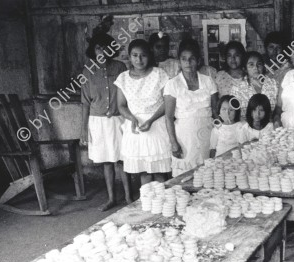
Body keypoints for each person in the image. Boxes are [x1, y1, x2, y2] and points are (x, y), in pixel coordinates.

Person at [80, 33, 131, 211]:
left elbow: (128, 95)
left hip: (119, 119)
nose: (101, 51)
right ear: (93, 50)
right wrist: (83, 130)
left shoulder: (120, 67)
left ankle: (128, 197)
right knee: (107, 162)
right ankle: (111, 198)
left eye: (105, 47)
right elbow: (85, 103)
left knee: (123, 159)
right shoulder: (87, 72)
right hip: (98, 122)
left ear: (111, 49)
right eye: (98, 48)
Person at [115, 39, 172, 185]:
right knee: (144, 173)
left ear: (149, 55)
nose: (139, 59)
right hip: (136, 128)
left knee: (160, 172)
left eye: (143, 55)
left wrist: (151, 120)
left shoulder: (159, 74)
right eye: (134, 55)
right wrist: (131, 118)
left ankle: (163, 204)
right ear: (129, 56)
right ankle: (146, 204)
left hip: (157, 125)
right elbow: (121, 105)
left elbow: (168, 102)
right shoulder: (123, 78)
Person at [165, 38, 219, 177]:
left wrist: (220, 136)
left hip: (207, 133)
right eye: (184, 59)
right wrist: (173, 143)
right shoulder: (173, 84)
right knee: (184, 177)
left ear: (199, 61)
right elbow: (168, 117)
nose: (188, 63)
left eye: (192, 59)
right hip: (184, 136)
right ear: (179, 61)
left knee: (207, 174)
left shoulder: (208, 81)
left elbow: (215, 112)